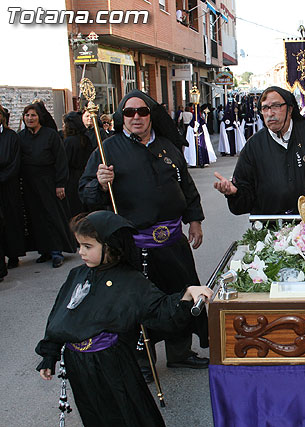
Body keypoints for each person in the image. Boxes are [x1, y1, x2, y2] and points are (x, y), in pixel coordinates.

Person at [36, 210, 213, 427]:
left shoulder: (129, 281)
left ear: (110, 246)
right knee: (93, 412)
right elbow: (61, 315)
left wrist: (187, 294)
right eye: (79, 245)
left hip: (112, 362)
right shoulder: (77, 275)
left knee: (127, 413)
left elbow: (160, 310)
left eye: (88, 246)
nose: (80, 252)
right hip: (79, 364)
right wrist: (49, 353)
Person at [78, 89, 209, 376]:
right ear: (121, 117)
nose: (136, 117)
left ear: (151, 114)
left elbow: (185, 186)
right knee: (140, 302)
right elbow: (85, 194)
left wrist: (195, 220)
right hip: (134, 245)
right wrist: (99, 184)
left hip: (173, 240)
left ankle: (180, 351)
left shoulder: (167, 146)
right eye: (129, 112)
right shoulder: (107, 149)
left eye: (142, 111)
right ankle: (142, 361)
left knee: (180, 294)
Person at [214, 86, 305, 217]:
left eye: (275, 106)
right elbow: (244, 196)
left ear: (290, 109)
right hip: (269, 226)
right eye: (265, 107)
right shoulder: (253, 146)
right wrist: (234, 193)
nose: (270, 113)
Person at [19, 102, 75, 268]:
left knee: (52, 216)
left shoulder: (50, 135)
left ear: (40, 117)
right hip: (30, 184)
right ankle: (44, 250)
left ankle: (56, 251)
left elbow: (61, 160)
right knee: (36, 217)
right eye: (27, 115)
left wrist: (60, 184)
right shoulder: (21, 137)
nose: (30, 118)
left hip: (49, 182)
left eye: (33, 115)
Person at [0, 104, 25, 274]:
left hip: (8, 185)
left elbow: (15, 162)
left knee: (10, 220)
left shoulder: (11, 137)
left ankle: (13, 254)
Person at [62, 112, 93, 217]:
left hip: (72, 179)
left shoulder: (69, 142)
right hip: (84, 176)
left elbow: (64, 162)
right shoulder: (86, 139)